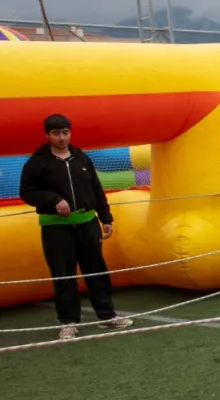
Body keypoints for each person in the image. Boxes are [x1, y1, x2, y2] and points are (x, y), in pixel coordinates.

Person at [19, 114, 134, 341]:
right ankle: (68, 323)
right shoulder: (37, 162)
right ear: (47, 135)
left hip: (87, 223)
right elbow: (27, 192)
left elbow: (96, 189)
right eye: (56, 134)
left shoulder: (81, 158)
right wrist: (53, 199)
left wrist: (105, 218)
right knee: (63, 274)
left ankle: (107, 316)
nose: (62, 138)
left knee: (97, 271)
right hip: (56, 228)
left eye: (65, 132)